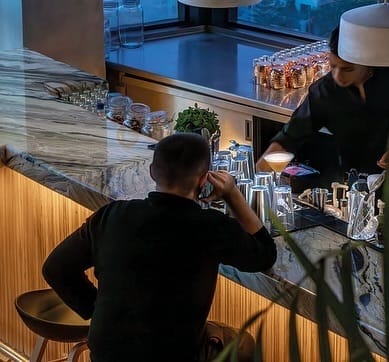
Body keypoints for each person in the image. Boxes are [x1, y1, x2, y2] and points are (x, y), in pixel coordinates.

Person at [42, 132, 278, 362]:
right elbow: (265, 254)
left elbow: (56, 268)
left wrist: (97, 311)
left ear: (152, 172)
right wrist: (232, 194)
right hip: (172, 354)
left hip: (107, 351)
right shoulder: (211, 227)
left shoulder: (113, 215)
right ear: (204, 179)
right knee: (243, 344)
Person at [258, 24, 389, 231]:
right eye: (333, 66)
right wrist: (256, 184)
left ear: (368, 65)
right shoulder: (325, 93)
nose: (337, 76)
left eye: (347, 69)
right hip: (357, 192)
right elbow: (288, 140)